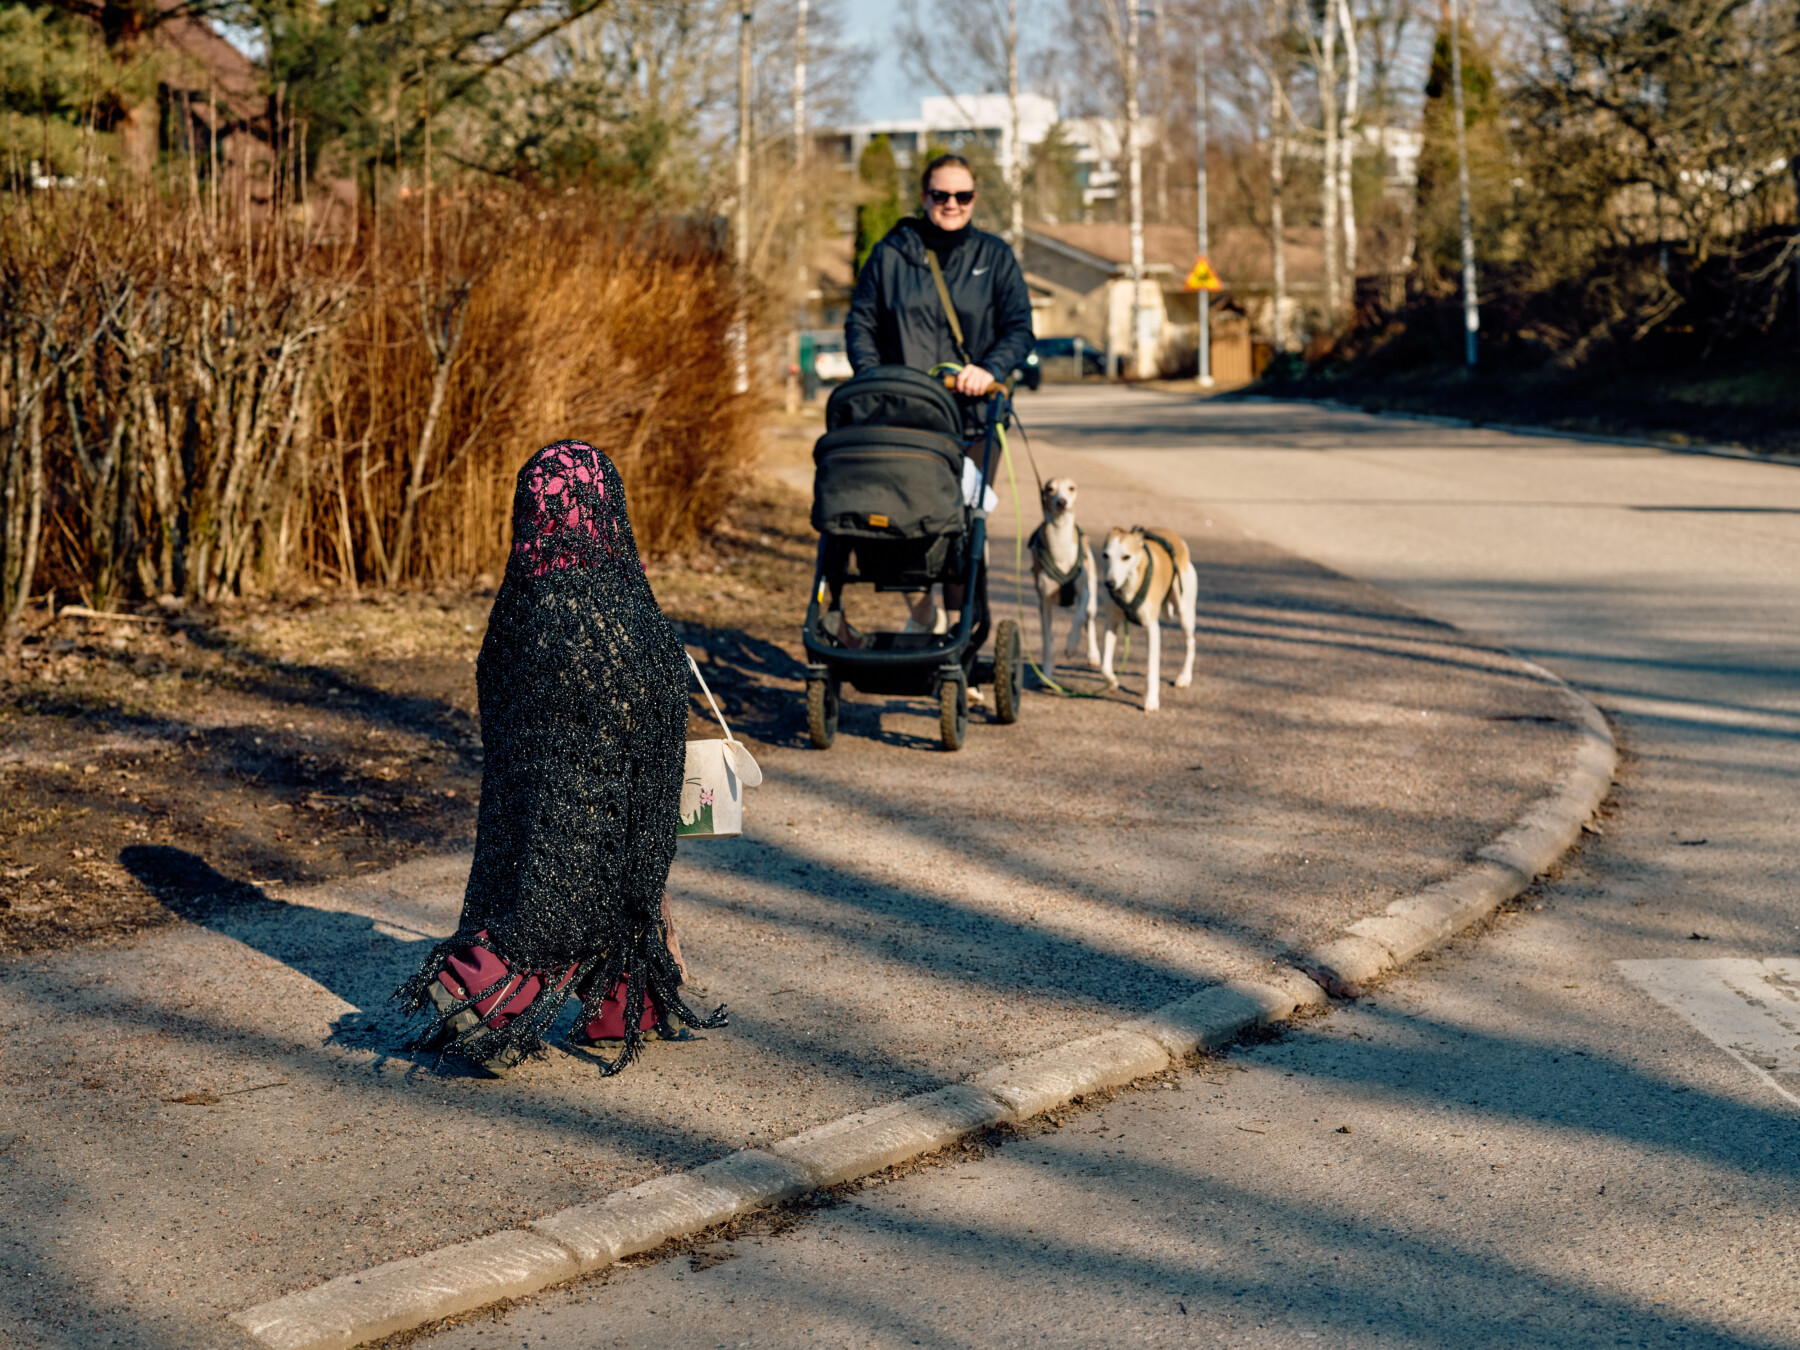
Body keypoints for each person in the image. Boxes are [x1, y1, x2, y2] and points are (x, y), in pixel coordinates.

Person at [393, 440, 725, 1077]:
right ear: (608, 509)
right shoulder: (632, 600)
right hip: (624, 743)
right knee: (603, 865)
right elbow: (658, 677)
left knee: (545, 857)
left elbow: (497, 682)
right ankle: (571, 998)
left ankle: (519, 993)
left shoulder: (520, 606)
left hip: (545, 765)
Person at [845, 153, 1034, 632]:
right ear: (924, 197)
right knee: (897, 521)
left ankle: (964, 635)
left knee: (962, 527)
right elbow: (861, 323)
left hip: (972, 420)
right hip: (903, 418)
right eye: (941, 195)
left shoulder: (994, 257)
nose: (952, 204)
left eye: (963, 196)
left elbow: (1018, 328)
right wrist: (874, 378)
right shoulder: (892, 253)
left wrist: (989, 369)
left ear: (974, 199)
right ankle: (923, 614)